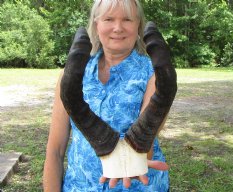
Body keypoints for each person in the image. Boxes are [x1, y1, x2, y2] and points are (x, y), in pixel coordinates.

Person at [43, 0, 177, 191]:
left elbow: (145, 143)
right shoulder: (70, 75)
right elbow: (55, 150)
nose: (118, 28)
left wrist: (130, 162)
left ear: (138, 24)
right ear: (96, 24)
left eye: (127, 19)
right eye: (108, 19)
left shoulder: (153, 74)